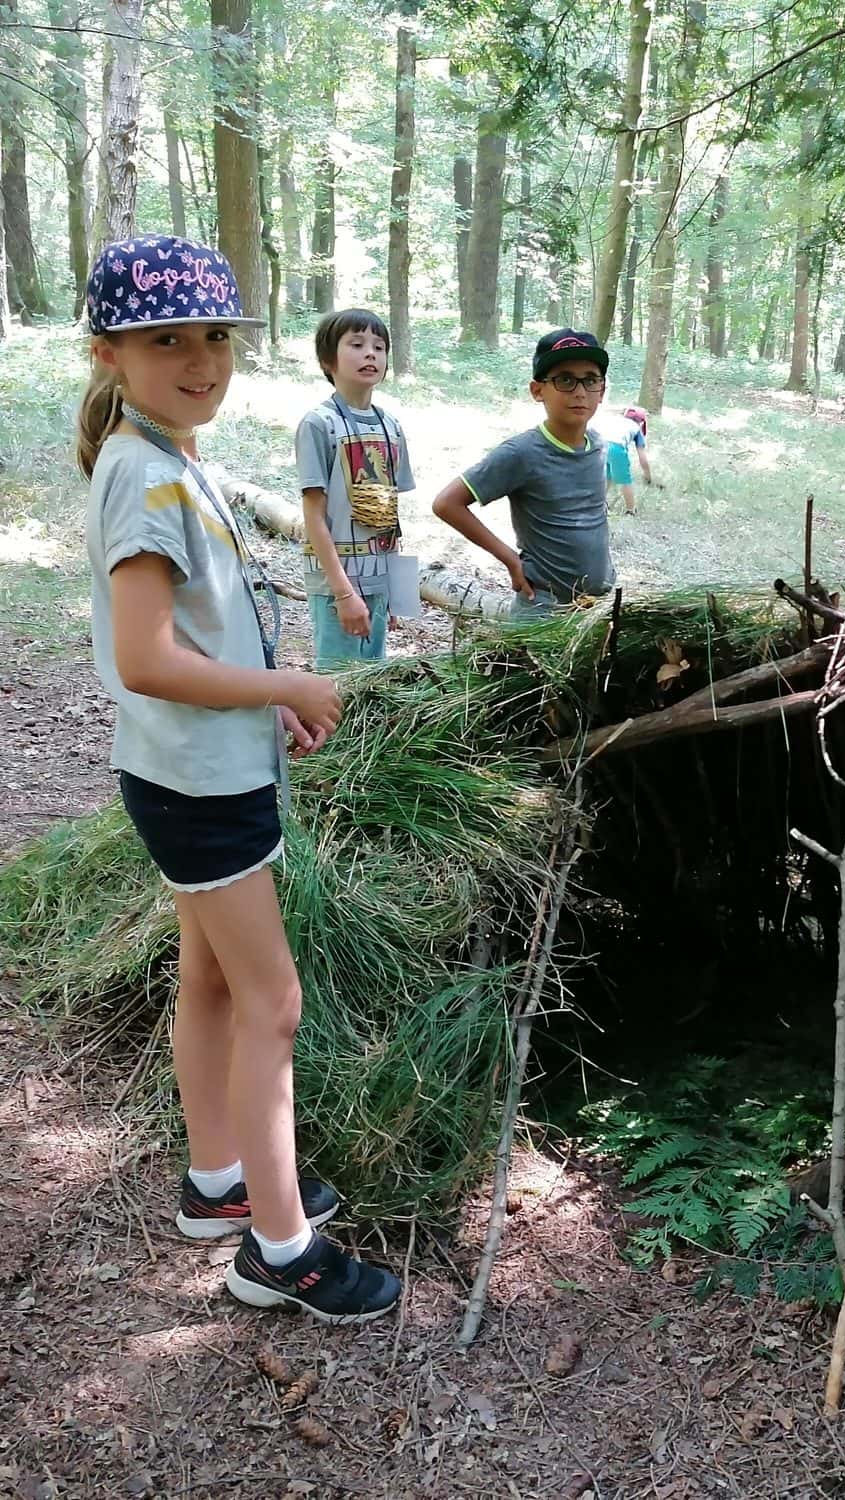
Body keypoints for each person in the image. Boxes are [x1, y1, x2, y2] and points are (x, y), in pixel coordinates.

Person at [79, 234, 400, 1324]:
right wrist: (283, 690)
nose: (201, 358)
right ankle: (279, 1249)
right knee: (274, 1001)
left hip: (191, 773)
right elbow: (145, 657)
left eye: (215, 335)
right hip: (200, 789)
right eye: (166, 338)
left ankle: (219, 1181)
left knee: (211, 982)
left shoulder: (167, 456)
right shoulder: (146, 476)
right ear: (108, 353)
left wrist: (267, 705)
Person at [431, 328, 614, 619]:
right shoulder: (522, 453)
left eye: (590, 380)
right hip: (543, 610)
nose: (580, 391)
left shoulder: (599, 445)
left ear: (601, 391)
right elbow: (446, 503)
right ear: (537, 390)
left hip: (595, 608)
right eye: (565, 379)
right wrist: (510, 560)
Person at [296, 309, 415, 669]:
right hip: (338, 580)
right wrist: (344, 593)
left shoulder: (390, 425)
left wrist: (401, 594)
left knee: (372, 679)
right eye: (357, 344)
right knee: (337, 684)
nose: (371, 354)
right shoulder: (319, 424)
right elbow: (313, 516)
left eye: (379, 347)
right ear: (327, 359)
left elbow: (391, 513)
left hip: (378, 574)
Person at [596, 402, 654, 516]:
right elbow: (643, 458)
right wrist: (648, 476)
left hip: (600, 444)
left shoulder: (617, 421)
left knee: (607, 475)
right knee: (625, 480)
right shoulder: (637, 428)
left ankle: (599, 503)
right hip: (616, 448)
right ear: (641, 423)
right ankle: (630, 510)